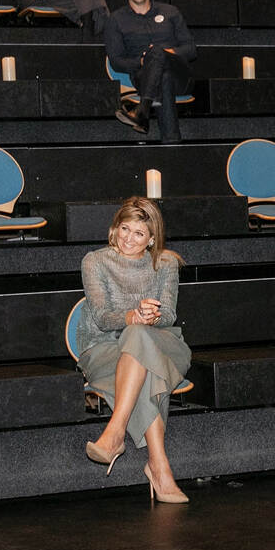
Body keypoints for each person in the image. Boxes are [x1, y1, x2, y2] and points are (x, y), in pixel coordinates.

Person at [80, 197, 191, 504]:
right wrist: (132, 316)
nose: (129, 238)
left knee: (140, 336)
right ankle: (159, 466)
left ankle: (115, 432)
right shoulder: (95, 261)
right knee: (143, 365)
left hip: (162, 343)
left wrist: (151, 317)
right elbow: (102, 317)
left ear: (152, 238)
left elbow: (169, 314)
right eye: (124, 229)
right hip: (104, 348)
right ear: (114, 229)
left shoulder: (166, 263)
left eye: (139, 233)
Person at [105, 0, 196, 145]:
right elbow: (116, 61)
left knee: (158, 54)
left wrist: (166, 53)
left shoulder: (170, 12)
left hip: (180, 76)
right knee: (163, 77)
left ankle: (143, 109)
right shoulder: (115, 20)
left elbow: (191, 50)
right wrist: (142, 61)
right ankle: (171, 143)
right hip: (144, 78)